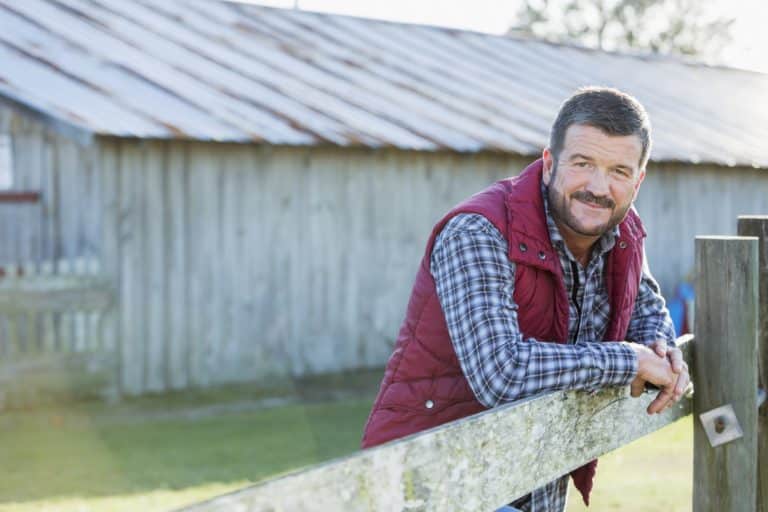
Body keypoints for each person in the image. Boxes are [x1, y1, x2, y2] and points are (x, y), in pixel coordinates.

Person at [360, 86, 690, 511]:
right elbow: (501, 372)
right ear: (549, 163)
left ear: (638, 180)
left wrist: (663, 351)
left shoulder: (621, 228)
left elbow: (645, 311)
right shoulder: (477, 233)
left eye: (619, 171)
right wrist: (631, 360)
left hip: (529, 475)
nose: (598, 186)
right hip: (434, 483)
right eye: (583, 163)